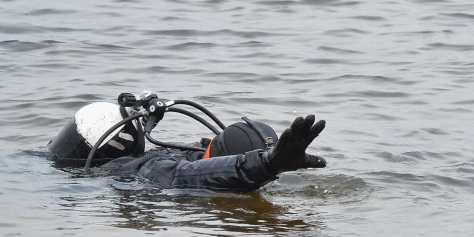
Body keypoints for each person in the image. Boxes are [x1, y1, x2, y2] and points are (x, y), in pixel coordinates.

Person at [47, 92, 327, 192]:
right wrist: (265, 164)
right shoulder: (151, 167)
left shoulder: (188, 155)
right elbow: (183, 176)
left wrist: (271, 165)